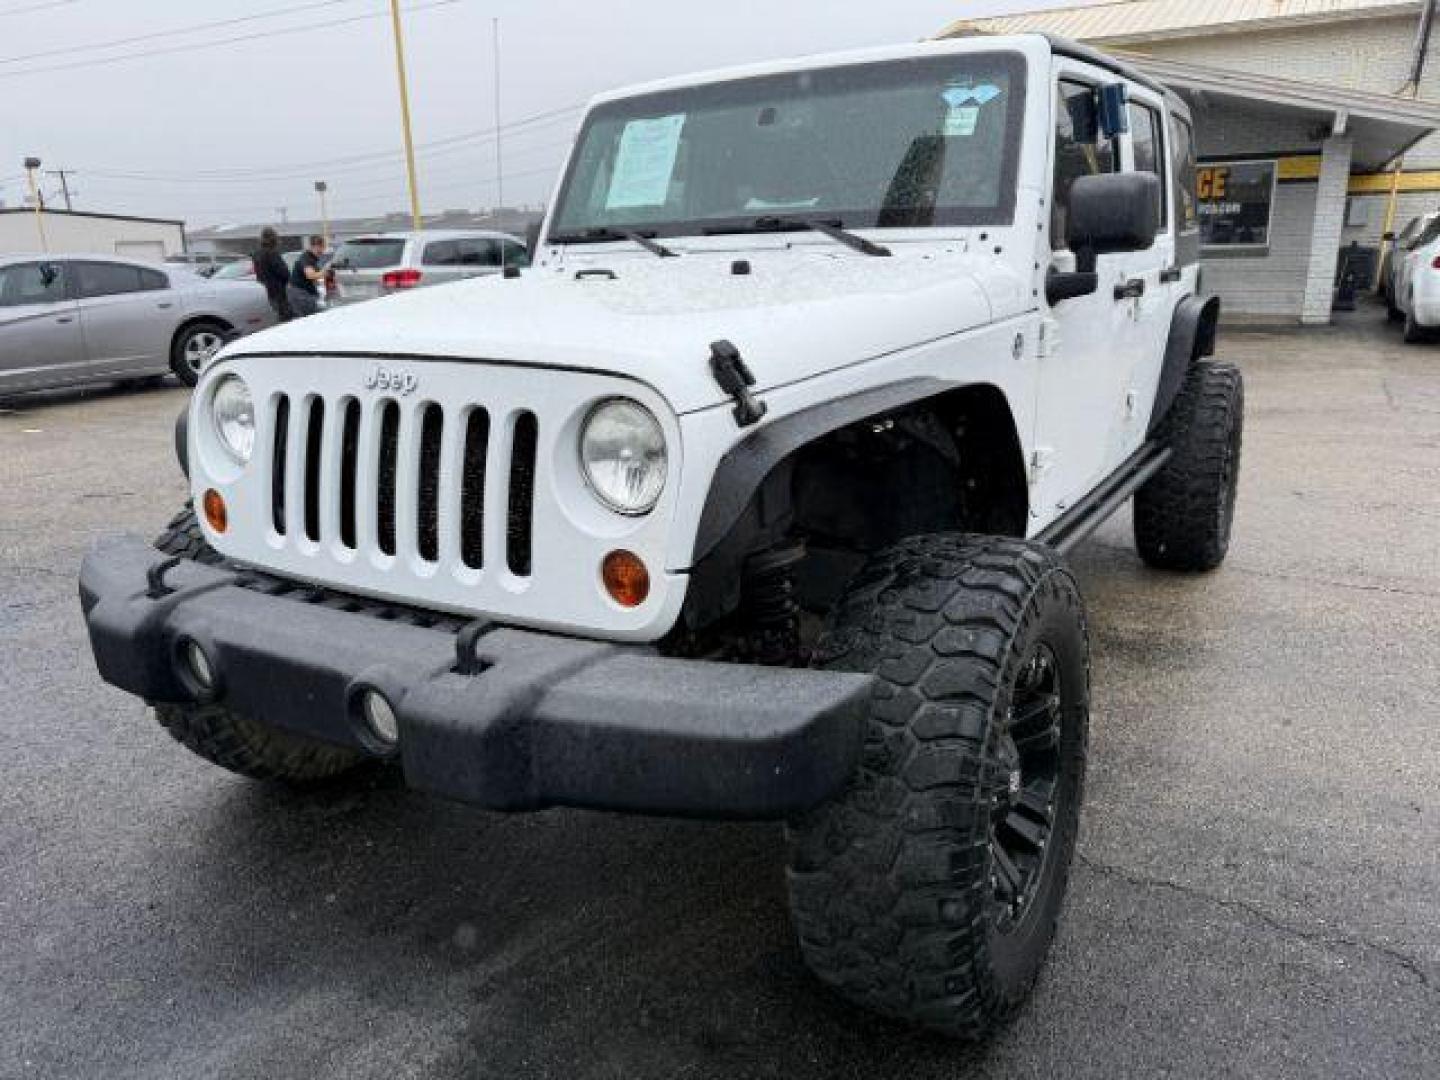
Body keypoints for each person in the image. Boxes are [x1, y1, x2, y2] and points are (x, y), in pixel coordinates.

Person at [252, 227, 292, 321]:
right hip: (278, 291)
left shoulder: (257, 253)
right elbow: (283, 272)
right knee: (284, 318)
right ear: (274, 238)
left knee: (272, 318)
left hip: (264, 290)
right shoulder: (272, 253)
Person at [286, 234, 328, 318]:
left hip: (301, 293)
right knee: (316, 316)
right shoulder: (307, 258)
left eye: (323, 247)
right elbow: (310, 275)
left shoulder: (311, 258)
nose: (323, 250)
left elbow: (313, 278)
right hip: (300, 294)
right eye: (321, 247)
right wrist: (325, 271)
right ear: (314, 246)